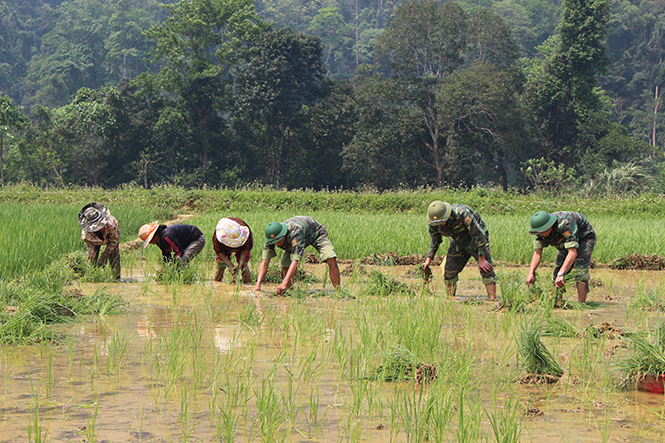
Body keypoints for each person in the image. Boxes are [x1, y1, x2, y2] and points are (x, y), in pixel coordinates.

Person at [422, 201, 497, 299]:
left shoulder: (462, 213)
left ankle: (492, 301)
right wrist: (428, 259)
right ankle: (450, 300)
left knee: (486, 269)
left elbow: (479, 235)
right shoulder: (433, 222)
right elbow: (435, 240)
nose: (440, 225)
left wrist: (482, 259)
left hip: (476, 240)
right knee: (449, 272)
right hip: (457, 241)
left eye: (442, 222)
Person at [254, 216, 341, 295]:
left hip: (316, 233)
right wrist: (257, 286)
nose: (277, 243)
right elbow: (265, 262)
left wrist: (283, 283)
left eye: (279, 240)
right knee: (285, 263)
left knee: (330, 257)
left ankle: (338, 292)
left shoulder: (295, 233)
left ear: (283, 234)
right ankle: (288, 292)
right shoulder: (270, 239)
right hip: (293, 239)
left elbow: (295, 261)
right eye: (274, 242)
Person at [526, 211, 596, 303]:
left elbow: (572, 252)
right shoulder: (540, 232)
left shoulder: (566, 223)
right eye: (540, 232)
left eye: (543, 231)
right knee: (557, 270)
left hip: (584, 237)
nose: (542, 234)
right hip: (563, 240)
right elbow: (537, 253)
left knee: (580, 272)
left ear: (550, 225)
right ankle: (558, 301)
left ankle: (581, 304)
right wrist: (531, 272)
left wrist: (561, 274)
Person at [78, 202, 121, 280]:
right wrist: (93, 261)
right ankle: (92, 277)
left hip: (110, 237)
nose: (100, 227)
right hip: (94, 240)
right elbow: (90, 250)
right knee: (92, 260)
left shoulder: (111, 224)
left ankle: (117, 279)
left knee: (114, 256)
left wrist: (104, 256)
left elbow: (114, 241)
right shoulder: (87, 233)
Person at [138, 222, 205, 265]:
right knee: (178, 263)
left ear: (153, 237)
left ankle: (181, 280)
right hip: (186, 243)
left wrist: (172, 264)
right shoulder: (159, 241)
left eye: (150, 241)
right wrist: (165, 267)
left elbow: (179, 252)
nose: (151, 243)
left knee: (180, 262)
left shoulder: (167, 236)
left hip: (197, 239)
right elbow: (166, 255)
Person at [213, 217, 254, 283]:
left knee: (244, 265)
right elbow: (219, 251)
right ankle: (216, 284)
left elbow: (245, 250)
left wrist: (240, 264)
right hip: (224, 247)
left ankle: (248, 286)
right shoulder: (217, 236)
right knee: (221, 265)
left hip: (241, 245)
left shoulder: (245, 234)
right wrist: (229, 264)